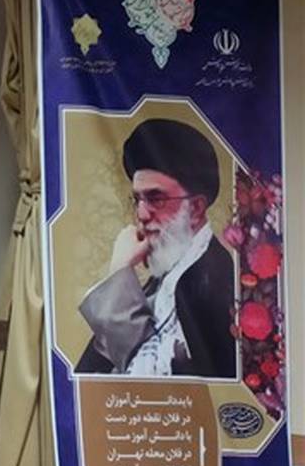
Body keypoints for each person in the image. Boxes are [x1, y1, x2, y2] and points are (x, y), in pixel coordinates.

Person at [76, 118, 236, 377]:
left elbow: (154, 380)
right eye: (137, 199)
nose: (141, 214)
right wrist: (121, 271)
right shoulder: (165, 278)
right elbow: (89, 378)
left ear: (196, 208)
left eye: (156, 198)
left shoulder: (209, 280)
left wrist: (120, 273)